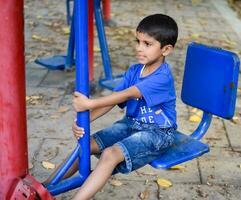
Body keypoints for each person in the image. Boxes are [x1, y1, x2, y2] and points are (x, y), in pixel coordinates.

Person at [45, 13, 178, 200]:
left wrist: (89, 103)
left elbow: (129, 94)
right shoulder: (134, 70)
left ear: (166, 50)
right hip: (131, 124)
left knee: (110, 154)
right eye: (138, 41)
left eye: (147, 44)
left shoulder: (162, 77)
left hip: (159, 133)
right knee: (87, 144)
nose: (139, 48)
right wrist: (84, 119)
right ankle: (44, 189)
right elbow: (114, 98)